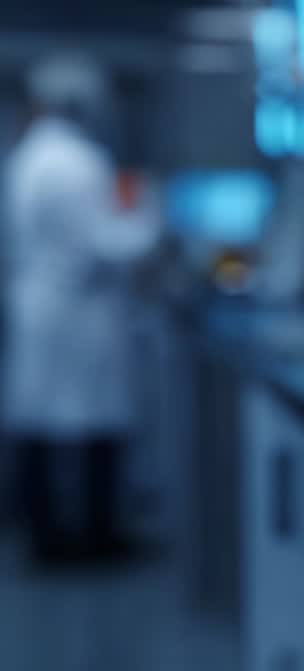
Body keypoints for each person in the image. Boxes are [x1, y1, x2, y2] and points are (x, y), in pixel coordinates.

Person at [1, 54, 158, 564]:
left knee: (45, 423)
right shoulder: (76, 162)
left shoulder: (28, 157)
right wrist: (148, 219)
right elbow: (108, 245)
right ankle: (89, 539)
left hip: (44, 308)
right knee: (92, 424)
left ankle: (48, 534)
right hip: (77, 313)